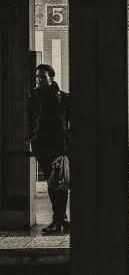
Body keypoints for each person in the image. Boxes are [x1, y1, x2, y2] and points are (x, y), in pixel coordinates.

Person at [27, 64, 70, 233]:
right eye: (37, 76)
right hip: (42, 147)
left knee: (59, 183)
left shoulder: (63, 98)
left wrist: (68, 137)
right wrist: (32, 137)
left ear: (51, 78)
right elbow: (31, 121)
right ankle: (60, 218)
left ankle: (59, 219)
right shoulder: (34, 99)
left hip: (59, 146)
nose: (38, 80)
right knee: (54, 183)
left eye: (42, 77)